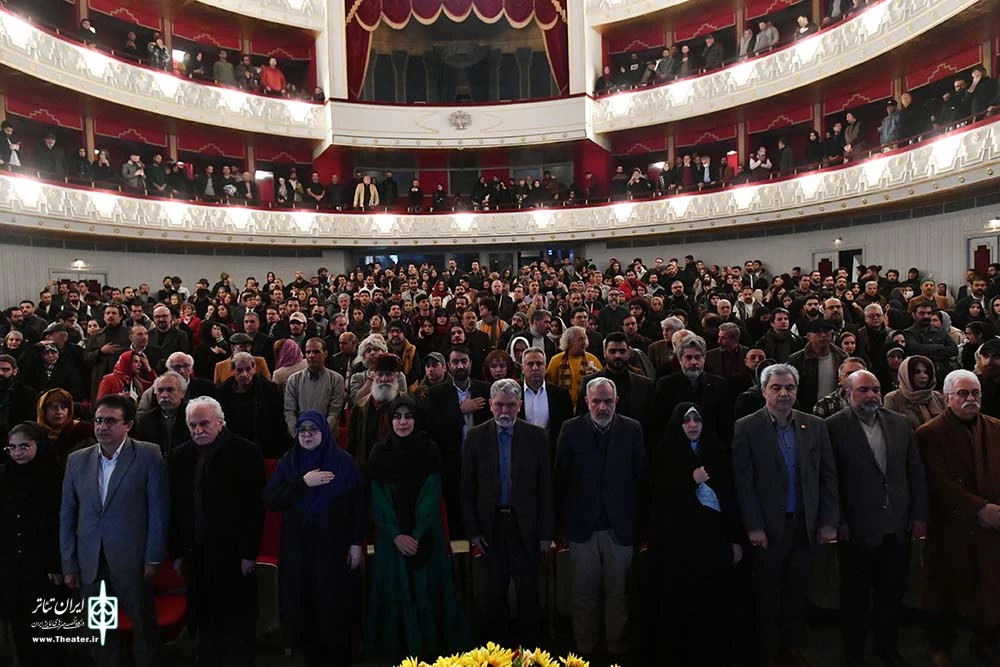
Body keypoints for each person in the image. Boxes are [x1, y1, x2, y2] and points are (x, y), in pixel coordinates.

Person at [732, 363, 839, 666]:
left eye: (789, 387)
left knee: (797, 592)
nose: (783, 393)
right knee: (767, 595)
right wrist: (753, 526)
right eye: (776, 388)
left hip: (804, 525)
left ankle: (792, 648)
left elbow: (828, 476)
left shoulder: (814, 425)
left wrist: (828, 520)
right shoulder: (746, 427)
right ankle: (768, 652)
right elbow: (744, 482)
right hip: (767, 529)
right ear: (764, 391)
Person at [825, 370, 928, 667]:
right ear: (847, 393)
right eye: (864, 390)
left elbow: (915, 472)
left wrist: (919, 514)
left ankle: (887, 648)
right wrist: (839, 520)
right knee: (855, 597)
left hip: (896, 524)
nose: (871, 395)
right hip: (855, 528)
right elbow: (830, 479)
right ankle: (854, 653)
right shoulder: (832, 427)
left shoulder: (899, 423)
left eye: (876, 389)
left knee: (891, 594)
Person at [60, 394, 169, 667]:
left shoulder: (148, 454)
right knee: (99, 630)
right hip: (91, 560)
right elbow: (67, 515)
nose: (102, 427)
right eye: (98, 420)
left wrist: (154, 557)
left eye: (110, 421)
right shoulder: (77, 460)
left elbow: (158, 511)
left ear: (128, 425)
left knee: (143, 626)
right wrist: (69, 563)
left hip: (132, 559)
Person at [365, 396, 470, 660]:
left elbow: (432, 495)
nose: (402, 422)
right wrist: (395, 535)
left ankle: (429, 647)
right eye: (397, 417)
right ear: (390, 420)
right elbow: (378, 499)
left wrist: (416, 534)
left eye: (408, 416)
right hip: (393, 540)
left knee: (427, 590)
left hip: (425, 536)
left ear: (416, 419)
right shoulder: (379, 452)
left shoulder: (429, 449)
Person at [262, 410, 365, 667]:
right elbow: (271, 499)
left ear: (324, 431)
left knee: (335, 605)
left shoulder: (342, 462)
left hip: (334, 545)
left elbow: (358, 506)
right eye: (302, 430)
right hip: (299, 547)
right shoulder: (290, 462)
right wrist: (303, 483)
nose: (307, 435)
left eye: (313, 430)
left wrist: (355, 543)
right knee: (305, 604)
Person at [555, 377, 647, 661]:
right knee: (583, 594)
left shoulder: (632, 429)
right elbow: (560, 480)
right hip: (582, 527)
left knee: (618, 593)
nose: (602, 407)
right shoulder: (569, 430)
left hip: (621, 526)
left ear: (616, 401)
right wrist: (561, 527)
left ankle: (616, 649)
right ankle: (585, 650)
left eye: (608, 401)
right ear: (586, 402)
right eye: (596, 401)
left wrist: (641, 528)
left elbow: (641, 480)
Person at [168, 397, 265, 666]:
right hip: (195, 554)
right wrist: (176, 552)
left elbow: (254, 510)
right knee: (203, 624)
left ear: (220, 423)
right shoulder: (178, 456)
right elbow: (176, 509)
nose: (198, 430)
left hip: (234, 555)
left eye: (204, 424)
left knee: (237, 625)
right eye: (193, 425)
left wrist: (249, 553)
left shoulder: (246, 452)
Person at [645, 403, 744, 664]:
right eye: (687, 421)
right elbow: (660, 498)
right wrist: (691, 480)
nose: (692, 425)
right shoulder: (666, 453)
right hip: (678, 547)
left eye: (697, 420)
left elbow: (730, 499)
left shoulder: (716, 452)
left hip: (712, 543)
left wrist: (734, 539)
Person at [914, 370, 1000, 666]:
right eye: (963, 394)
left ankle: (984, 641)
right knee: (944, 588)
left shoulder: (995, 427)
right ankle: (940, 646)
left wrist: (994, 510)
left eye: (975, 393)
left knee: (988, 585)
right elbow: (937, 481)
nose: (970, 399)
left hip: (991, 525)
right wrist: (978, 508)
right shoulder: (929, 433)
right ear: (947, 397)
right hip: (950, 524)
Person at [461, 379, 552, 648]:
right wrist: (473, 532)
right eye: (499, 405)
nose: (504, 411)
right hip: (491, 528)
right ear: (490, 405)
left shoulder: (536, 436)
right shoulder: (475, 437)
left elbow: (546, 488)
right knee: (494, 595)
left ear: (519, 406)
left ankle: (533, 655)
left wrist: (546, 533)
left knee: (528, 595)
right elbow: (466, 488)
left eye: (511, 406)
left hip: (526, 527)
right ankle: (496, 655)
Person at [1, 421, 67, 667]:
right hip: (12, 567)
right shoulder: (4, 475)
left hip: (46, 567)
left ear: (39, 445)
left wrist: (58, 564)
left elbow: (62, 523)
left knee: (51, 629)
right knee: (21, 629)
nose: (17, 453)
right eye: (12, 448)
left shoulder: (55, 476)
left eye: (24, 447)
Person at [420, 346, 491, 537]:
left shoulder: (484, 389)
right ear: (448, 366)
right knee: (456, 518)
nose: (460, 366)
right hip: (452, 465)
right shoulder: (436, 394)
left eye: (464, 361)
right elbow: (433, 428)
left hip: (482, 465)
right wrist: (460, 411)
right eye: (455, 362)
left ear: (471, 364)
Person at [882, 355, 947, 431]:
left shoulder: (937, 396)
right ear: (907, 374)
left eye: (926, 372)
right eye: (917, 372)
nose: (923, 376)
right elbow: (891, 430)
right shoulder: (893, 399)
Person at [35, 388, 95, 469]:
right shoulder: (35, 434)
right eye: (54, 407)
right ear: (43, 410)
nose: (59, 412)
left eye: (63, 407)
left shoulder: (83, 431)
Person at [545, 326, 602, 410]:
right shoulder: (556, 360)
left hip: (586, 407)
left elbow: (601, 382)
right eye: (580, 339)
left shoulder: (592, 359)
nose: (584, 342)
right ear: (570, 341)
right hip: (562, 407)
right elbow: (550, 384)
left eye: (585, 339)